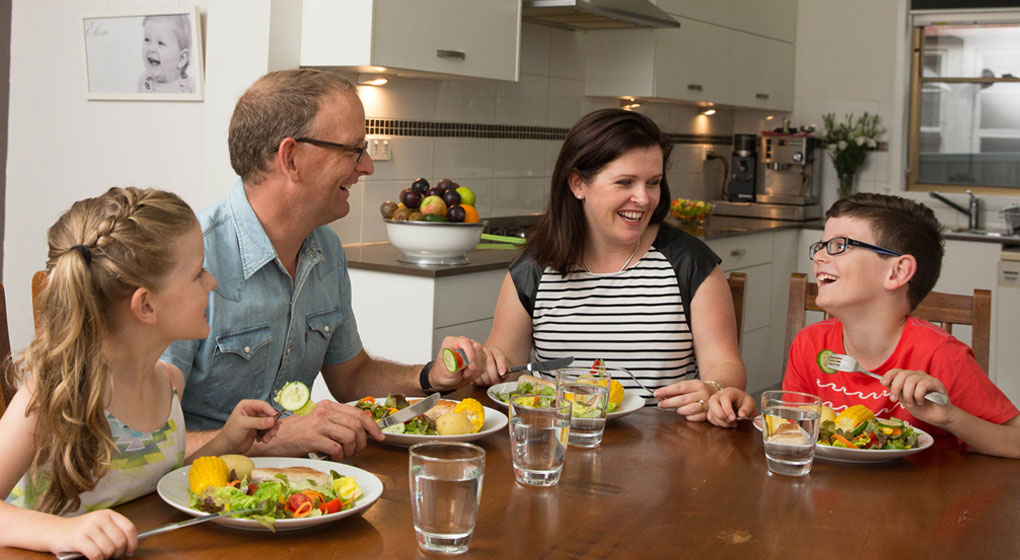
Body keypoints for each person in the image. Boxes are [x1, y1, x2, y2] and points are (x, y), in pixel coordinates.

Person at [161, 69, 488, 460]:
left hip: (299, 492)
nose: (367, 165)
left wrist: (430, 376)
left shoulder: (326, 249)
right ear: (291, 158)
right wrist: (275, 440)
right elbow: (145, 444)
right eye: (353, 149)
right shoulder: (189, 259)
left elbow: (350, 376)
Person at [0, 187, 279, 558]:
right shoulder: (57, 396)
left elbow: (141, 474)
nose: (212, 282)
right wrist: (62, 532)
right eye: (198, 273)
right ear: (146, 305)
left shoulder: (169, 384)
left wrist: (225, 443)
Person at [476, 108, 755, 427]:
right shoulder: (534, 269)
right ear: (578, 183)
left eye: (654, 183)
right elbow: (503, 368)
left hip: (669, 453)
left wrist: (715, 389)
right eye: (625, 182)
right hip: (561, 448)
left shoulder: (689, 262)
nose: (644, 198)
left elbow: (725, 365)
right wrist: (485, 363)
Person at [783, 193, 1020, 458]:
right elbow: (790, 431)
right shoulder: (809, 344)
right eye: (820, 246)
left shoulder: (940, 355)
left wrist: (950, 417)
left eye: (839, 245)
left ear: (897, 272)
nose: (818, 257)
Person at [137, 14, 194, 94]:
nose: (151, 49)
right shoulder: (144, 81)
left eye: (160, 43)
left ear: (181, 58)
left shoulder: (190, 87)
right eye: (147, 40)